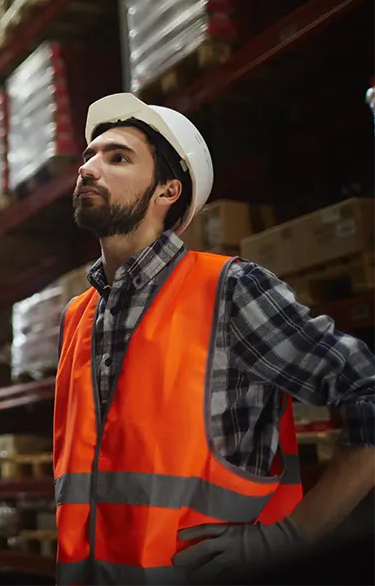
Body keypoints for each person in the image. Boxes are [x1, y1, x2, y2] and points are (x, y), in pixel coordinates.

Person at [52, 92, 375, 586]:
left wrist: (289, 538)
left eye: (116, 157)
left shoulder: (230, 290)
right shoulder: (79, 316)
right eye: (88, 156)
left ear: (167, 191)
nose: (89, 168)